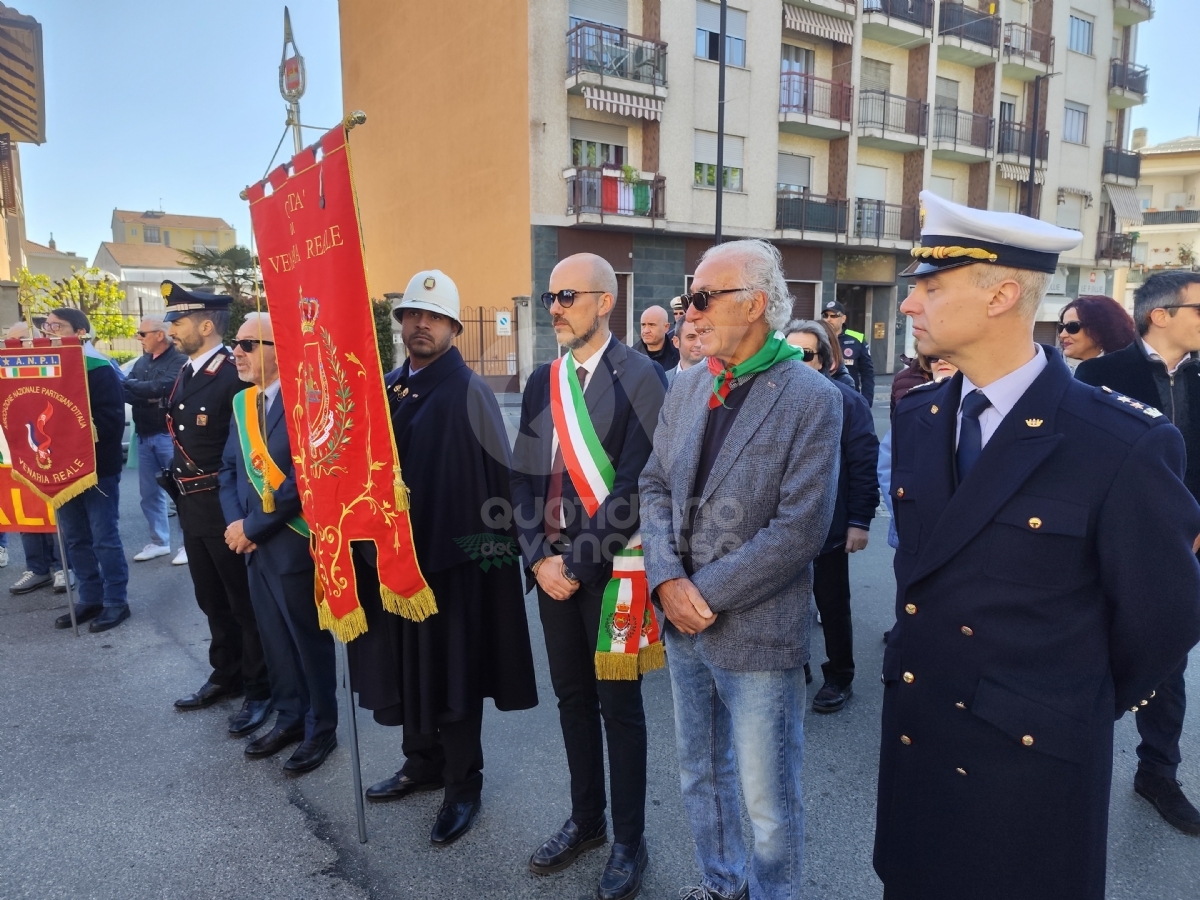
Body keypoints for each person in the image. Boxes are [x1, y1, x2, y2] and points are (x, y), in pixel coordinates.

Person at [877, 190, 1200, 900]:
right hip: (919, 741)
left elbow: (1163, 618)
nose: (909, 305)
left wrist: (1068, 700)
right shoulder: (920, 414)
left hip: (1029, 762)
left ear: (999, 296)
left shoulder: (1120, 441)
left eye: (930, 287)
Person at [640, 241, 842, 900]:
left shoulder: (812, 397)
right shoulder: (690, 381)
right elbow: (653, 485)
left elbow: (799, 531)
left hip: (756, 630)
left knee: (766, 798)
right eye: (687, 300)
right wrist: (667, 581)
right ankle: (720, 886)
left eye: (702, 297)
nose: (689, 312)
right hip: (683, 624)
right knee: (701, 775)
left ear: (754, 304)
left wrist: (699, 593)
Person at [349, 270, 537, 844]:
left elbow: (494, 486)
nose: (419, 324)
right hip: (395, 562)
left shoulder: (469, 392)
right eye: (411, 315)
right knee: (406, 670)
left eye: (432, 317)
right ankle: (421, 762)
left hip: (450, 571)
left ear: (454, 327)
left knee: (453, 678)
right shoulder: (388, 385)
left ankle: (462, 786)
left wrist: (480, 563)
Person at [511, 253, 666, 900]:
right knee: (571, 700)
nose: (555, 307)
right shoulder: (541, 379)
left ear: (606, 302)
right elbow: (520, 476)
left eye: (568, 295)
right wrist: (538, 558)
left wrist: (575, 564)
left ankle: (630, 840)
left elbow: (634, 484)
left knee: (618, 711)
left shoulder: (645, 377)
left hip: (607, 574)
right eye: (550, 296)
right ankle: (588, 820)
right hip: (551, 570)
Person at [1075, 270, 1200, 836]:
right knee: (1092, 651)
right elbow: (1086, 462)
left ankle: (1158, 772)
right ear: (1162, 314)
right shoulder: (1102, 374)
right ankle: (1073, 762)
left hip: (1190, 548)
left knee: (1169, 659)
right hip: (1117, 545)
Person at [219, 312, 338, 774]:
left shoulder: (308, 401)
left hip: (292, 543)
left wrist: (253, 526)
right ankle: (289, 717)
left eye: (249, 344)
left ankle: (320, 728)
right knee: (273, 637)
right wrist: (238, 526)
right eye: (238, 343)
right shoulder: (243, 404)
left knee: (307, 640)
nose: (238, 352)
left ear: (278, 349)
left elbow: (306, 480)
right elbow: (229, 469)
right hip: (253, 544)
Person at [163, 281, 270, 739]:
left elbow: (245, 450)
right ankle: (225, 672)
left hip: (223, 504)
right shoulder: (186, 371)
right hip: (191, 505)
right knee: (211, 599)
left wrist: (238, 514)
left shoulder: (232, 373)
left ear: (206, 325)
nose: (171, 329)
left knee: (242, 602)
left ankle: (259, 687)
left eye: (178, 321)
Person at [784, 320, 880, 713]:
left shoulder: (846, 401)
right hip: (780, 531)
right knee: (787, 604)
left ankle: (840, 675)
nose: (795, 361)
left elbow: (863, 463)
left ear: (824, 361)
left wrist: (859, 521)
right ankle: (796, 664)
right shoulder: (771, 400)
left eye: (804, 354)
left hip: (830, 528)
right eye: (787, 353)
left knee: (832, 605)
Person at [43, 308, 130, 634]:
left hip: (96, 468)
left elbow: (110, 421)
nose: (50, 331)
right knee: (76, 538)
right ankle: (89, 597)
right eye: (47, 325)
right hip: (61, 471)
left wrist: (72, 435)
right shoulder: (49, 369)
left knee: (103, 537)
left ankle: (115, 601)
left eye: (58, 326)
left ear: (79, 332)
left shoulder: (98, 369)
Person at [5, 321, 72, 595]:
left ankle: (62, 567)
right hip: (15, 453)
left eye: (18, 341)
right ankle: (37, 568)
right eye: (9, 342)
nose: (12, 348)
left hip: (50, 452)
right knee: (25, 512)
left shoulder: (54, 366)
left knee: (54, 513)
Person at [123, 316, 186, 562]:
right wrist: (147, 392)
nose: (139, 338)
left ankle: (187, 545)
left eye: (142, 333)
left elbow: (165, 388)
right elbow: (127, 389)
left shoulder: (179, 359)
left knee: (179, 491)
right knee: (149, 493)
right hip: (145, 434)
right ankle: (159, 542)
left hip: (167, 435)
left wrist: (145, 390)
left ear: (160, 335)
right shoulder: (142, 361)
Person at [820, 299, 874, 404]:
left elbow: (867, 372)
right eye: (826, 316)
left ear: (843, 318)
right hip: (823, 398)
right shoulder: (817, 337)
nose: (828, 319)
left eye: (834, 316)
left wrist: (867, 401)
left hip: (850, 398)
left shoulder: (857, 338)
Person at [1058, 294, 1137, 363]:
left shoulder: (1128, 373)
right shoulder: (1050, 369)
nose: (1062, 335)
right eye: (1061, 327)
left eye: (1072, 327)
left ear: (1100, 329)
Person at [632, 304, 679, 372]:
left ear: (666, 327)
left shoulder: (678, 356)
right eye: (643, 325)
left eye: (652, 325)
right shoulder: (630, 356)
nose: (646, 331)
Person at [666, 317, 705, 386]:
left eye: (702, 336)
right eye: (691, 337)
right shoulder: (663, 380)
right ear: (676, 342)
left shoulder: (720, 379)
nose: (699, 344)